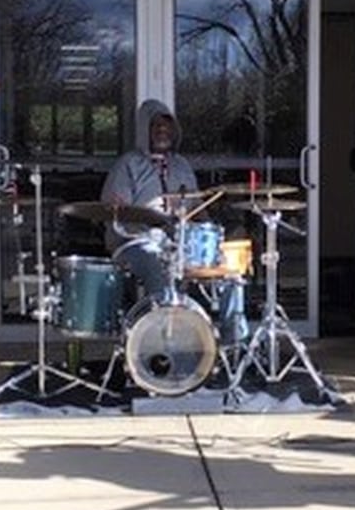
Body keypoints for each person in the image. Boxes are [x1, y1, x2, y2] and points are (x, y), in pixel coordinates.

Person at [99, 98, 247, 345]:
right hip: (136, 243)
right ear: (144, 130)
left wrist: (215, 235)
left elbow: (197, 207)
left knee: (231, 274)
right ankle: (163, 346)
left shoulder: (182, 165)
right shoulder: (128, 165)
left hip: (180, 244)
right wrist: (146, 218)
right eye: (155, 126)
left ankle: (234, 347)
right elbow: (117, 211)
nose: (162, 131)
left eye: (167, 126)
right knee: (160, 269)